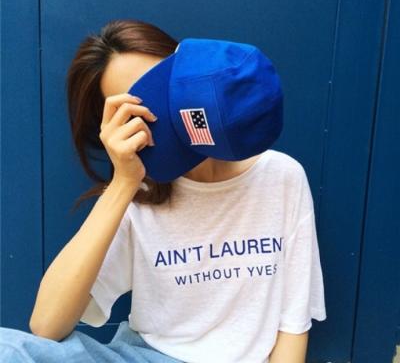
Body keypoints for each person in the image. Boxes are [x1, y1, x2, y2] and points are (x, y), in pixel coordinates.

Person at [0, 19, 327, 363]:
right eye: (133, 108)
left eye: (160, 87)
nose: (157, 111)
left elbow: (293, 323)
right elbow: (46, 325)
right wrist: (123, 184)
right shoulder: (137, 191)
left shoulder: (281, 176)